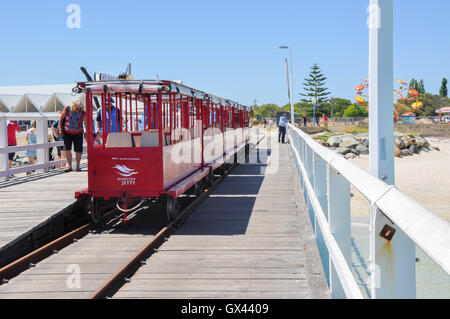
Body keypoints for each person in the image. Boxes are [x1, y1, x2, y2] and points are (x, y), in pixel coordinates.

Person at [58, 99, 87, 172]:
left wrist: (87, 132)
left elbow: (86, 123)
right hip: (67, 132)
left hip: (78, 132)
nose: (79, 110)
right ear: (73, 106)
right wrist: (60, 129)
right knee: (67, 149)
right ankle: (70, 166)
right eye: (77, 108)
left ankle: (78, 166)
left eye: (80, 109)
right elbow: (61, 119)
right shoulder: (67, 109)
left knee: (78, 150)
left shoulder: (83, 113)